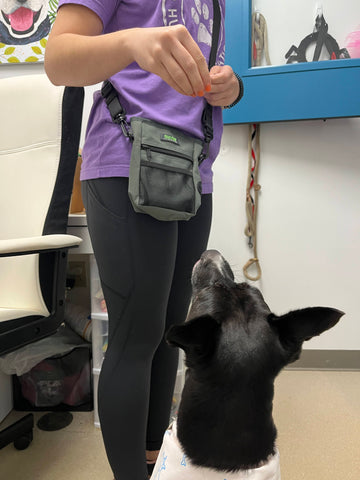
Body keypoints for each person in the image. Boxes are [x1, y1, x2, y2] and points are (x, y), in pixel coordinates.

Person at [45, 2, 241, 480]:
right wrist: (133, 42)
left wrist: (231, 90)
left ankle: (153, 463)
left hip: (193, 171)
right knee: (136, 337)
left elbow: (203, 84)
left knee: (170, 331)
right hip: (125, 161)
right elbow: (58, 59)